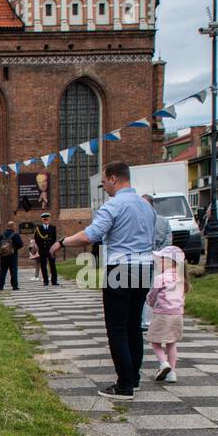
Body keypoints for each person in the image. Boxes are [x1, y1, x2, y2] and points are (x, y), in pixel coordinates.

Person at [51, 161, 157, 400]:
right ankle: (134, 378)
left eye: (104, 183)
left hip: (120, 268)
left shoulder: (114, 206)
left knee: (117, 327)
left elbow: (90, 235)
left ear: (113, 178)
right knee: (133, 326)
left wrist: (62, 241)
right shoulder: (146, 206)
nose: (104, 188)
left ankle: (124, 385)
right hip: (144, 267)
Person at [146, 245, 188, 384]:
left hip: (162, 314)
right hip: (177, 315)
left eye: (162, 259)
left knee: (154, 341)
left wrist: (150, 303)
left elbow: (153, 295)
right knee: (171, 343)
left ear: (171, 261)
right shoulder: (181, 278)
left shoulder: (161, 278)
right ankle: (172, 374)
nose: (159, 262)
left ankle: (163, 363)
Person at [141, 194, 171, 330]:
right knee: (160, 290)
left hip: (144, 259)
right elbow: (169, 240)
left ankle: (145, 321)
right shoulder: (164, 221)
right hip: (160, 259)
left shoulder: (141, 221)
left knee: (145, 291)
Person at [0, 223, 23, 291]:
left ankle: (0, 286)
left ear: (7, 227)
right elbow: (21, 244)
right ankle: (15, 286)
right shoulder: (15, 235)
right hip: (13, 255)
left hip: (3, 256)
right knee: (13, 270)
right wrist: (14, 248)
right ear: (13, 227)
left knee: (3, 271)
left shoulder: (1, 235)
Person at [34, 212, 59, 286]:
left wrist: (52, 248)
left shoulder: (52, 228)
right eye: (44, 219)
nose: (46, 220)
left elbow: (54, 238)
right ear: (42, 220)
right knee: (43, 266)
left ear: (49, 219)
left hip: (51, 249)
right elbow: (36, 238)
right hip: (42, 249)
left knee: (52, 266)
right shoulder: (38, 228)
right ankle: (45, 281)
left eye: (47, 219)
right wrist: (40, 246)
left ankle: (54, 281)